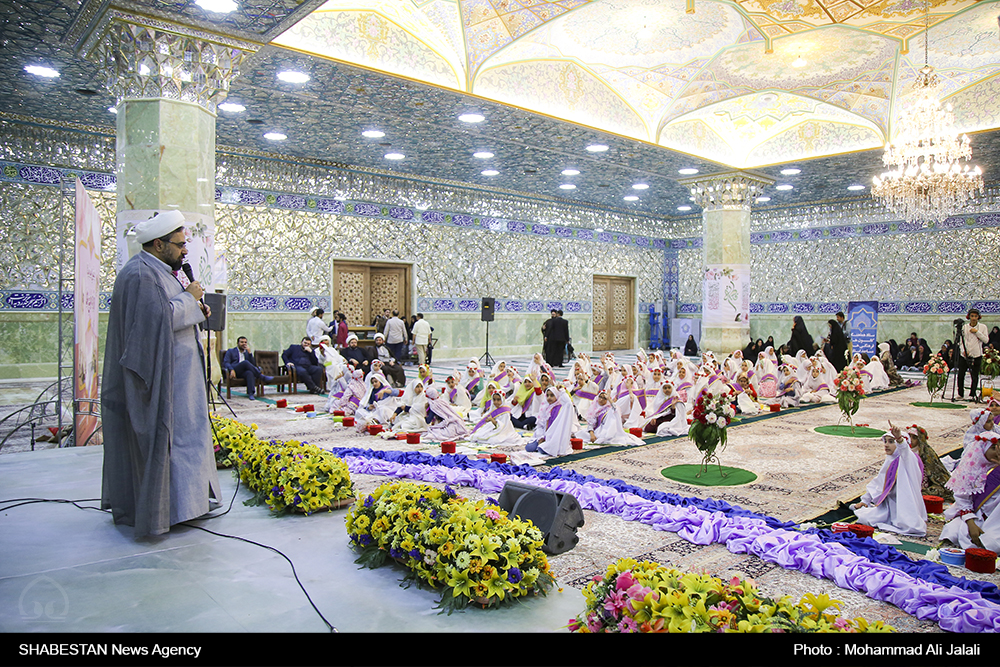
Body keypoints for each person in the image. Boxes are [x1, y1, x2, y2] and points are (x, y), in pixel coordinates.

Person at [101, 210, 221, 538]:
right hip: (161, 382)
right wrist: (189, 299)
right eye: (180, 245)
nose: (185, 251)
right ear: (158, 244)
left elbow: (169, 311)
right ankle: (172, 509)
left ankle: (189, 505)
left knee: (186, 438)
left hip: (180, 378)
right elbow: (156, 321)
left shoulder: (160, 270)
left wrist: (195, 308)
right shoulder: (140, 273)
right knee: (174, 441)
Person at [851, 423, 927, 537]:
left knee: (909, 525)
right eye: (885, 441)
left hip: (905, 506)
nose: (886, 445)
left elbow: (904, 450)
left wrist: (899, 439)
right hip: (890, 503)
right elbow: (879, 482)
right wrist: (865, 500)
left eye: (891, 442)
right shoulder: (891, 460)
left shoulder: (909, 458)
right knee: (865, 517)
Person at [222, 336, 273, 400]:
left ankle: (251, 394)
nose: (244, 344)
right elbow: (226, 362)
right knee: (245, 362)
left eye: (245, 342)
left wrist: (250, 353)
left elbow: (253, 365)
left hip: (242, 372)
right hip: (235, 370)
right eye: (242, 342)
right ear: (237, 343)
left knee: (249, 373)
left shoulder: (246, 353)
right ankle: (261, 376)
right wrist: (231, 369)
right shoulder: (231, 351)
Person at [957, 308, 989, 401]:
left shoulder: (983, 327)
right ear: (969, 317)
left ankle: (972, 394)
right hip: (965, 354)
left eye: (975, 316)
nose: (974, 318)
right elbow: (961, 341)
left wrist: (977, 332)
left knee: (974, 375)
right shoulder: (965, 327)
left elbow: (986, 340)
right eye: (972, 316)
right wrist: (963, 351)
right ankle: (960, 394)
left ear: (978, 317)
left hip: (976, 354)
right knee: (961, 375)